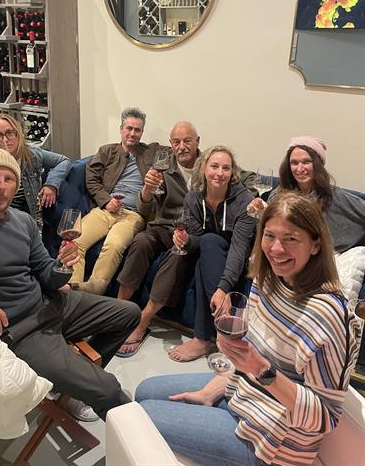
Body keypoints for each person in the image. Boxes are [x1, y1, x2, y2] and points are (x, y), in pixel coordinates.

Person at [0, 148, 141, 421]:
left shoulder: (23, 221)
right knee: (108, 389)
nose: (2, 187)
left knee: (130, 313)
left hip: (52, 305)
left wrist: (62, 266)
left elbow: (46, 273)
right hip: (21, 331)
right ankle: (130, 430)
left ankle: (70, 385)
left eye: (9, 179)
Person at [136, 192, 360, 466]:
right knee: (144, 390)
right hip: (243, 394)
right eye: (269, 236)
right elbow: (248, 360)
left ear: (315, 245)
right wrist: (212, 391)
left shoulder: (329, 315)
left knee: (142, 413)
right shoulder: (267, 281)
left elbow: (325, 416)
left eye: (291, 239)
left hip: (274, 439)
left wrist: (262, 370)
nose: (276, 249)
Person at [116, 122, 201, 357]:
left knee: (177, 255)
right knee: (141, 240)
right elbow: (145, 210)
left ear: (197, 141)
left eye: (187, 141)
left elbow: (243, 177)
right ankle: (119, 311)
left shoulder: (208, 165)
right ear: (171, 144)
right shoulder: (163, 167)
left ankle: (143, 321)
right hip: (163, 226)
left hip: (190, 231)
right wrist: (146, 189)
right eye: (176, 142)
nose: (182, 147)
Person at [248, 136, 365, 298]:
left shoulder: (334, 197)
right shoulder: (280, 192)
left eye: (306, 162)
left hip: (315, 260)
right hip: (283, 258)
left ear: (318, 164)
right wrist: (262, 213)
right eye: (294, 163)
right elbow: (271, 231)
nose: (299, 168)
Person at [168, 146, 256, 362]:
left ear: (232, 173)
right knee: (207, 245)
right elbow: (198, 241)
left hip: (239, 260)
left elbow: (239, 248)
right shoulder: (193, 198)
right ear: (203, 168)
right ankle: (221, 333)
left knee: (205, 255)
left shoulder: (244, 201)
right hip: (209, 255)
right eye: (214, 166)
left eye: (226, 168)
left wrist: (223, 288)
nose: (220, 173)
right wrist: (186, 241)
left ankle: (202, 338)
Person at [69, 107, 164, 295]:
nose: (132, 133)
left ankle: (95, 288)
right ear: (121, 129)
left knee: (113, 245)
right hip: (106, 210)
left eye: (137, 130)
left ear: (142, 133)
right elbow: (91, 180)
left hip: (133, 214)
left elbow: (178, 149)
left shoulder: (150, 151)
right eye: (129, 128)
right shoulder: (107, 151)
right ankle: (72, 289)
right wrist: (106, 201)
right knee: (75, 240)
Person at [0, 113, 72, 225]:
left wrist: (51, 185)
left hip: (26, 220)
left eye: (10, 133)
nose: (5, 139)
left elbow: (63, 161)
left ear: (18, 134)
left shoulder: (32, 154)